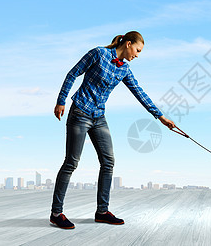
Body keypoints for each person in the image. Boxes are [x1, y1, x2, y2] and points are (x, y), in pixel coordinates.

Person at [50, 31, 175, 229]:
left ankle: (102, 211)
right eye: (137, 50)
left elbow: (139, 93)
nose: (137, 55)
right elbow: (73, 73)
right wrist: (61, 101)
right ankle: (56, 213)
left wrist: (160, 117)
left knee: (108, 161)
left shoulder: (124, 69)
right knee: (71, 162)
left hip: (99, 117)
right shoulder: (98, 54)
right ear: (127, 44)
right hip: (80, 113)